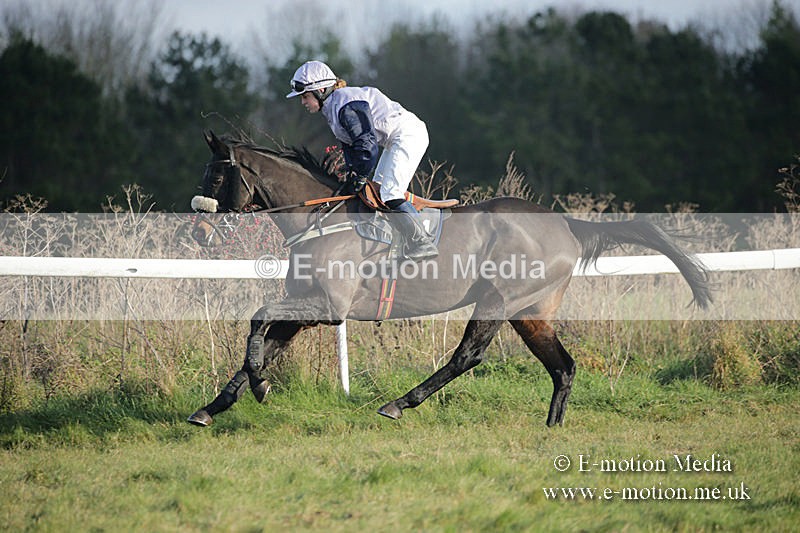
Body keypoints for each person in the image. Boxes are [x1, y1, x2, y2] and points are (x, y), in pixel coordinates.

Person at [286, 60, 438, 261]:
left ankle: (422, 242)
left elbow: (367, 145)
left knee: (390, 192)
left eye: (305, 96)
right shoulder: (334, 107)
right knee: (378, 191)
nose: (303, 102)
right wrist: (353, 177)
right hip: (394, 140)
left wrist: (360, 175)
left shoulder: (345, 104)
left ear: (321, 89)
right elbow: (353, 148)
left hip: (408, 135)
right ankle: (396, 242)